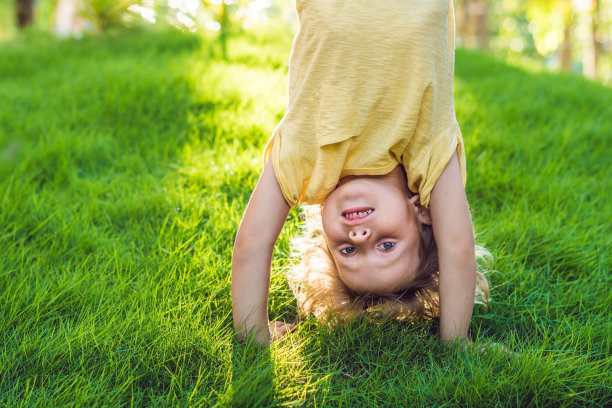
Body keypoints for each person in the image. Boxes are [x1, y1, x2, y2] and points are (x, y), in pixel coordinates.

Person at [231, 0, 489, 346]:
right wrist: (456, 342)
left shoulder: (305, 162)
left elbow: (253, 244)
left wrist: (254, 334)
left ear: (326, 234)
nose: (360, 237)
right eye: (386, 244)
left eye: (347, 252)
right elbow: (458, 247)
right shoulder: (428, 155)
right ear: (423, 213)